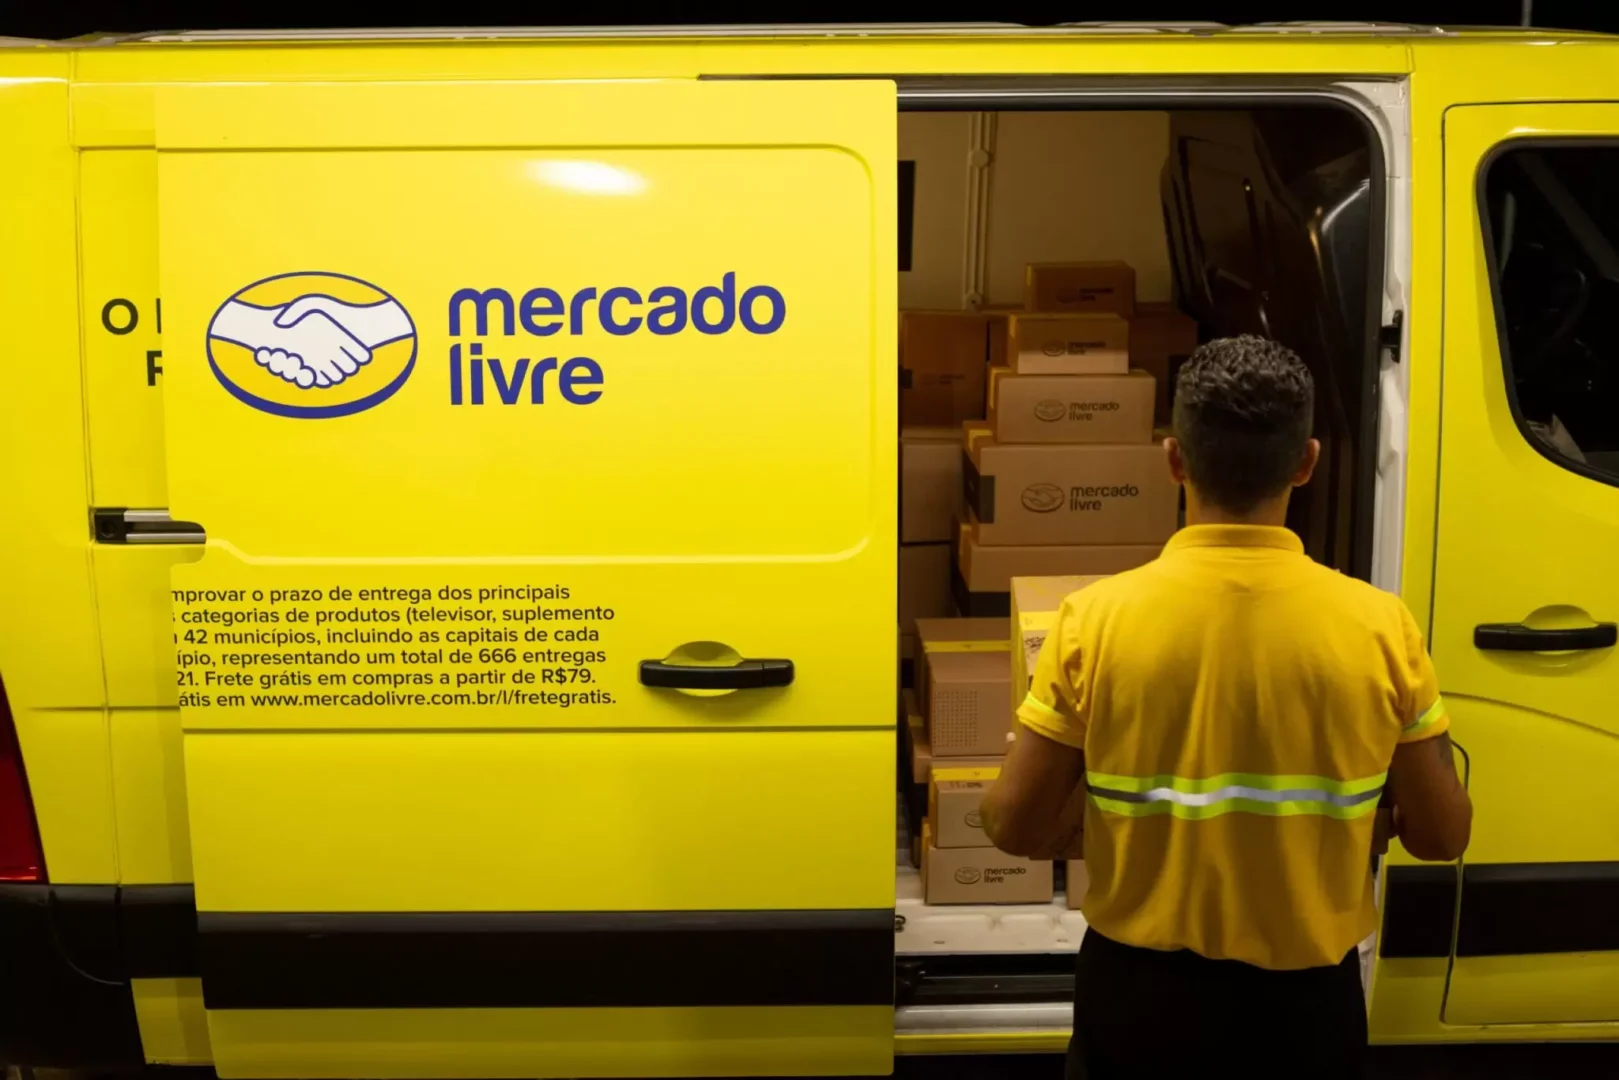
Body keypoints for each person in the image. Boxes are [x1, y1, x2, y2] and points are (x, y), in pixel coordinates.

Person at [980, 335, 1471, 1079]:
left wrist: (1102, 825)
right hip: (1305, 1012)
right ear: (1305, 462)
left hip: (1135, 1000)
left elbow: (1011, 823)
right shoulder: (1380, 627)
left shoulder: (1093, 621)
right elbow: (1441, 835)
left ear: (1174, 459)